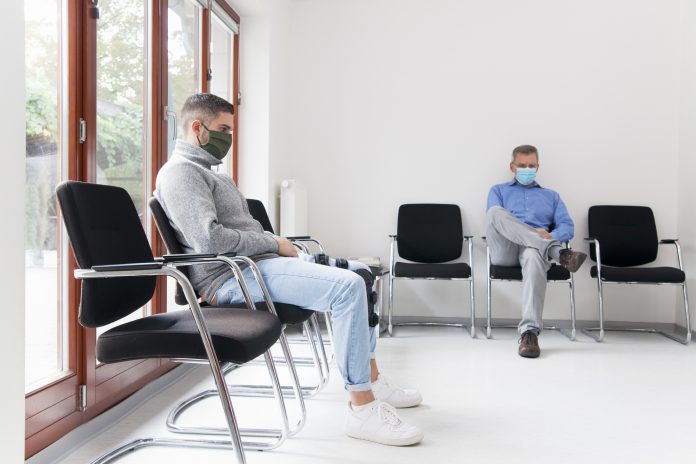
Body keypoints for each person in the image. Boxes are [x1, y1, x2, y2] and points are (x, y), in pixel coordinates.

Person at [155, 93, 423, 446]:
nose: (229, 138)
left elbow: (241, 231)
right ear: (196, 128)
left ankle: (370, 377)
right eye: (223, 129)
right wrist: (271, 242)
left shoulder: (210, 173)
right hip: (231, 277)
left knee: (363, 274)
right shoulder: (181, 175)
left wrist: (273, 243)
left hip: (259, 264)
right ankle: (362, 408)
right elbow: (209, 240)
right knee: (347, 288)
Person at [486, 145, 587, 358]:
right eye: (522, 165)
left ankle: (529, 333)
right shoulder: (499, 190)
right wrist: (538, 235)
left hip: (533, 252)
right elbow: (494, 220)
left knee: (533, 253)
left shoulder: (552, 196)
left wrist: (550, 236)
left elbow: (567, 227)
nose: (527, 169)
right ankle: (561, 255)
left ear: (538, 167)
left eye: (531, 165)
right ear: (512, 167)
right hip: (505, 249)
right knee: (495, 212)